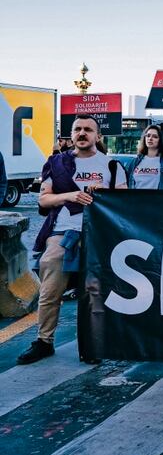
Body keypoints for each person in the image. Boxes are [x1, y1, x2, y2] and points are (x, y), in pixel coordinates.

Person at [18, 115, 128, 365]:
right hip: (62, 233)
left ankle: (93, 343)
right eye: (77, 129)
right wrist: (72, 195)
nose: (82, 133)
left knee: (95, 293)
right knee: (49, 290)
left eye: (88, 129)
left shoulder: (112, 166)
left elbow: (124, 203)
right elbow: (44, 200)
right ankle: (44, 341)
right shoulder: (57, 163)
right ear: (71, 134)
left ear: (98, 136)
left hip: (99, 234)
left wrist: (104, 194)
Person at [126, 124, 163, 190]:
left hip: (159, 200)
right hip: (136, 200)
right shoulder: (134, 162)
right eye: (148, 136)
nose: (150, 138)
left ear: (161, 140)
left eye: (155, 136)